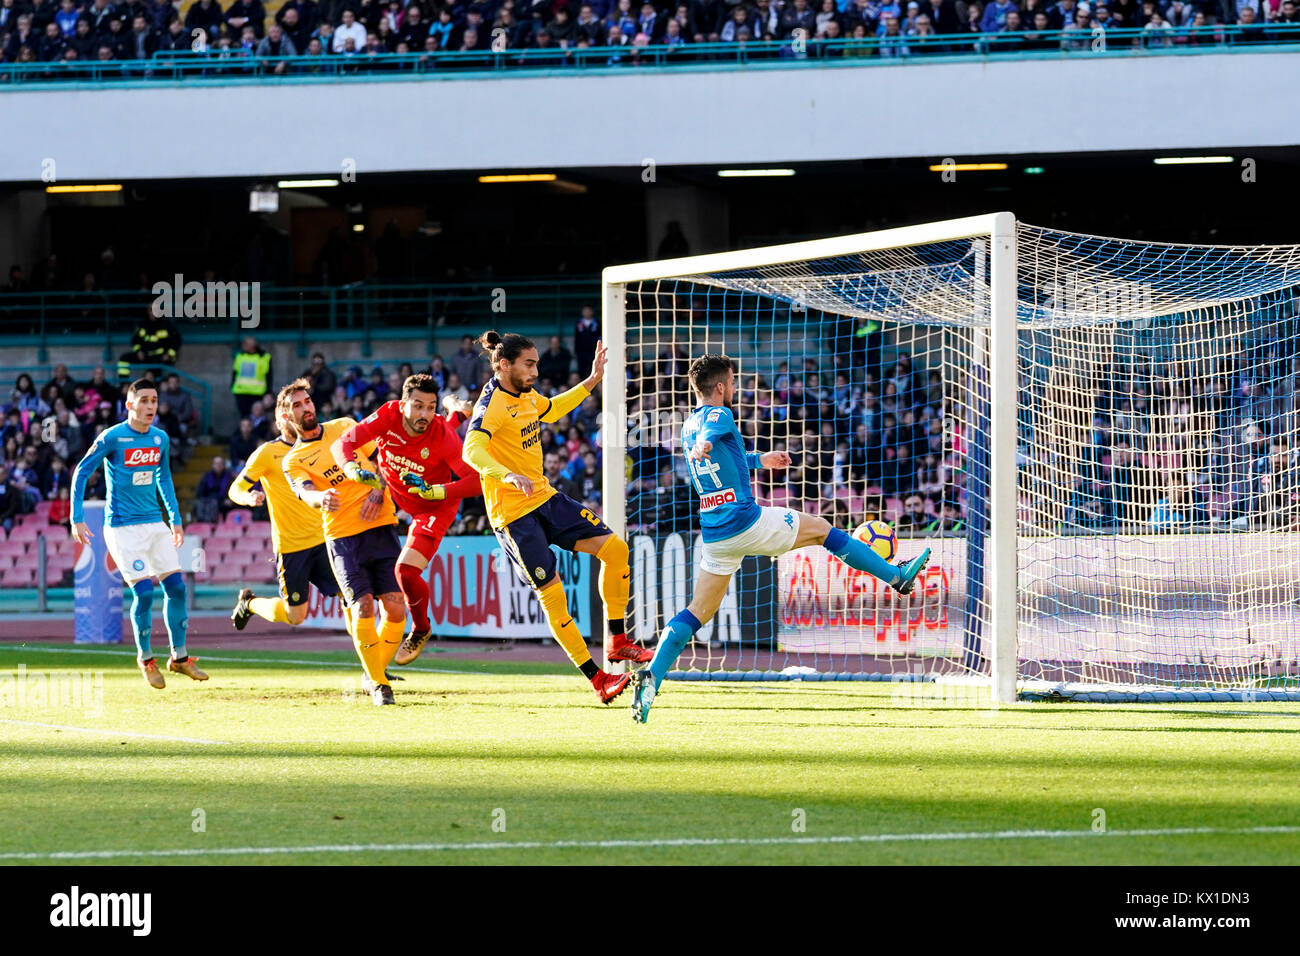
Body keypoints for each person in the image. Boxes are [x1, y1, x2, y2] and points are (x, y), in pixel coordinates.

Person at [630, 355, 931, 724]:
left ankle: (652, 678)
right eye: (733, 380)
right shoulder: (717, 416)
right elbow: (712, 437)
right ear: (721, 386)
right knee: (823, 529)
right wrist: (705, 445)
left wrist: (760, 459)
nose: (736, 387)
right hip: (745, 520)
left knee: (697, 613)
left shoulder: (686, 426)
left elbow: (725, 457)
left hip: (715, 532)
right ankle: (895, 576)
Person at [461, 330, 649, 704]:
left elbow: (550, 410)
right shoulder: (492, 404)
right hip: (513, 516)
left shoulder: (526, 394)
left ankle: (616, 640)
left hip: (544, 497)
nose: (535, 371)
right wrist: (506, 474)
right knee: (555, 597)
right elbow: (471, 450)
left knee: (615, 550)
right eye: (528, 364)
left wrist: (591, 382)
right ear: (504, 365)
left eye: (536, 363)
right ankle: (598, 680)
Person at [334, 374, 482, 665]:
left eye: (430, 407)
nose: (424, 414)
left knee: (405, 572)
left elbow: (476, 482)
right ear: (402, 404)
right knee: (432, 437)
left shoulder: (441, 435)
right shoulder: (387, 416)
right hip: (400, 498)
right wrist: (351, 468)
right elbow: (342, 444)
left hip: (434, 508)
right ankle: (459, 413)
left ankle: (421, 629)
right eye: (417, 406)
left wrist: (437, 491)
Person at [69, 378, 204, 689]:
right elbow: (81, 471)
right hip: (122, 528)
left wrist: (175, 520)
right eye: (143, 401)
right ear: (129, 405)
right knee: (144, 593)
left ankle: (180, 658)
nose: (150, 407)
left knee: (177, 588)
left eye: (154, 401)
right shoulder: (112, 437)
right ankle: (145, 659)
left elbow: (164, 478)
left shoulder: (160, 439)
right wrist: (76, 517)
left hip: (154, 524)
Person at [280, 378, 406, 705]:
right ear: (286, 416)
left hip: (381, 525)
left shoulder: (345, 426)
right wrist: (321, 497)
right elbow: (303, 490)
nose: (305, 407)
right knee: (362, 606)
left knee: (395, 607)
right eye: (296, 405)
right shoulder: (293, 459)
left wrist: (379, 490)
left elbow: (383, 459)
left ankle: (372, 672)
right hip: (343, 537)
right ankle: (380, 685)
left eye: (306, 401)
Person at [229, 402, 344, 630]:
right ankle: (250, 603)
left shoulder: (318, 445)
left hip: (325, 537)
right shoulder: (267, 453)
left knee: (350, 595)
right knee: (295, 616)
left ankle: (368, 663)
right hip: (291, 546)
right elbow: (235, 489)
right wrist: (249, 497)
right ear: (280, 420)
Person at [232, 335, 272, 418]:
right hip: (241, 393)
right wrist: (232, 385)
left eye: (245, 343)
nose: (243, 345)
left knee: (257, 417)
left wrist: (268, 392)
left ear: (253, 345)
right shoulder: (240, 356)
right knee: (244, 418)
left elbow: (269, 376)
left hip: (258, 393)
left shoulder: (264, 357)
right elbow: (235, 373)